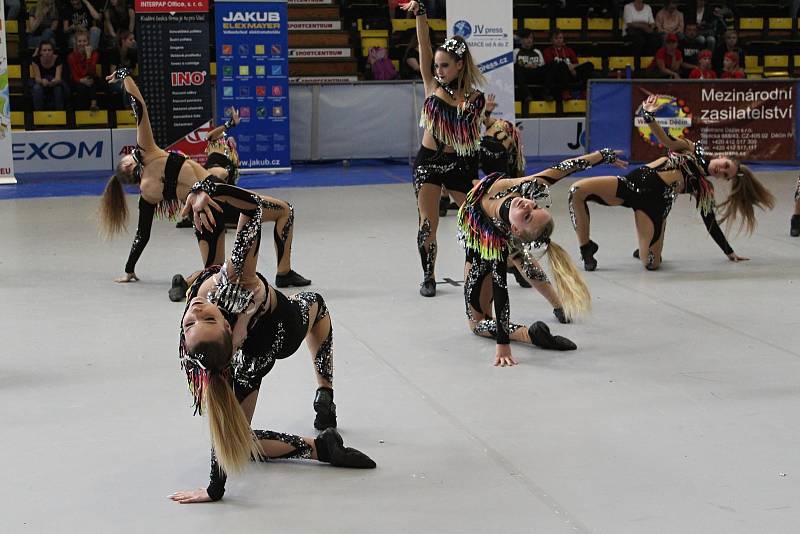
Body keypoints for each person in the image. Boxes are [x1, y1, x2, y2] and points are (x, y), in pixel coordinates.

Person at [171, 185, 375, 504]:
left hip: (262, 340)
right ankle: (325, 401)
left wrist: (214, 488)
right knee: (317, 307)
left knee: (236, 437)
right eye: (201, 321)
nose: (195, 313)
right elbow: (252, 210)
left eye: (194, 322)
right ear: (225, 327)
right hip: (278, 332)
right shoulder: (231, 284)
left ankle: (319, 442)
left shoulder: (209, 336)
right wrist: (206, 189)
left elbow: (221, 415)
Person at [97, 72, 310, 291]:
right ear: (130, 165)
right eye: (128, 155)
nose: (131, 151)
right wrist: (125, 76)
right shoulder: (148, 152)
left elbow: (142, 234)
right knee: (285, 211)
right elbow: (139, 107)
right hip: (221, 197)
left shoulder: (147, 195)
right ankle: (284, 273)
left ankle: (187, 281)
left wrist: (129, 269)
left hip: (202, 215)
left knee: (215, 272)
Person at [569, 95, 775, 271]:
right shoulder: (691, 149)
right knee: (577, 191)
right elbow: (667, 140)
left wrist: (729, 252)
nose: (720, 170)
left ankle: (651, 240)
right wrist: (649, 117)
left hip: (652, 209)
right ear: (722, 156)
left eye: (725, 174)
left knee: (651, 264)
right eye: (725, 165)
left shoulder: (703, 188)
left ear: (724, 180)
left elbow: (709, 221)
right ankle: (586, 248)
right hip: (629, 185)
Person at [456, 151, 621, 366]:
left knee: (477, 324)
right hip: (486, 233)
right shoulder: (521, 188)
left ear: (515, 228)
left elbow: (500, 290)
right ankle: (558, 305)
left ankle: (529, 335)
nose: (527, 205)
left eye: (528, 215)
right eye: (534, 207)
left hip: (481, 244)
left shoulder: (495, 244)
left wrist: (503, 344)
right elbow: (564, 168)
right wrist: (602, 155)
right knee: (518, 254)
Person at [401, 0, 486, 297]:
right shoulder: (431, 84)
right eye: (436, 65)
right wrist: (421, 13)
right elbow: (424, 45)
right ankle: (428, 275)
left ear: (460, 65)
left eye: (444, 65)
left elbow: (469, 139)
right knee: (428, 223)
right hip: (428, 164)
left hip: (458, 164)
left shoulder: (475, 98)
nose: (438, 70)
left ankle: (475, 263)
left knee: (474, 218)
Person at [514, 29, 551, 106]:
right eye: (527, 38)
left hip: (536, 74)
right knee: (515, 68)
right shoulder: (516, 51)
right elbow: (513, 66)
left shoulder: (537, 51)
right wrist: (525, 66)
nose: (529, 40)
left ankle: (546, 93)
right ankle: (527, 95)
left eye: (531, 38)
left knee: (550, 66)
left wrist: (535, 66)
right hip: (523, 75)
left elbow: (542, 66)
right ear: (521, 39)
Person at [67, 28, 100, 111]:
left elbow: (91, 71)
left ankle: (93, 105)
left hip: (91, 77)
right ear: (76, 43)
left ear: (88, 42)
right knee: (82, 87)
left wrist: (88, 56)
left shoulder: (94, 54)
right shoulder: (71, 56)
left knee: (91, 80)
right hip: (78, 80)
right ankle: (85, 110)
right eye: (79, 41)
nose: (82, 44)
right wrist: (82, 80)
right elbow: (75, 74)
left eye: (84, 41)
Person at [30, 40, 66, 111]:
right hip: (41, 82)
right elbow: (37, 79)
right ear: (40, 52)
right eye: (44, 50)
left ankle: (60, 113)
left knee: (58, 89)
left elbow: (58, 78)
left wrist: (54, 82)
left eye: (49, 50)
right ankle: (38, 113)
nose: (47, 52)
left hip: (54, 82)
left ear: (53, 51)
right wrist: (42, 81)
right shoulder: (35, 60)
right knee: (37, 88)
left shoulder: (58, 59)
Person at [107, 30, 138, 109]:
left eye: (133, 39)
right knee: (126, 85)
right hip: (114, 81)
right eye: (131, 39)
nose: (134, 41)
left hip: (128, 79)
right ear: (123, 41)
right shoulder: (115, 52)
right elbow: (112, 73)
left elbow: (132, 70)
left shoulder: (132, 53)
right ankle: (129, 108)